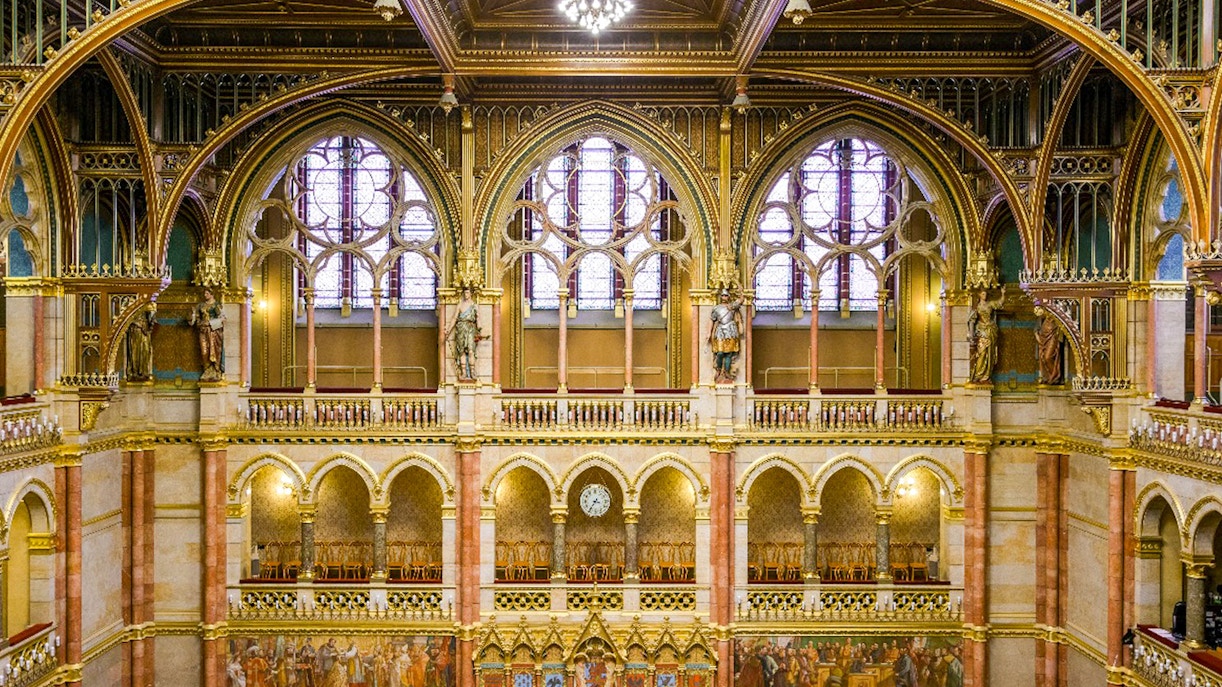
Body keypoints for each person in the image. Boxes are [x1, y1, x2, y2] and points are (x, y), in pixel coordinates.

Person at [966, 289, 1004, 384]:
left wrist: (1003, 293)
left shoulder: (990, 304)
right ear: (979, 295)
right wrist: (971, 333)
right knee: (982, 353)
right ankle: (978, 375)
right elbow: (972, 319)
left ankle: (986, 376)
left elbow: (999, 303)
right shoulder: (977, 307)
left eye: (986, 294)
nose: (985, 296)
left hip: (991, 330)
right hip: (981, 330)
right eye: (983, 294)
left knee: (990, 353)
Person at [189, 287, 226, 381]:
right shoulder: (200, 306)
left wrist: (210, 323)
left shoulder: (216, 305)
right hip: (203, 331)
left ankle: (215, 369)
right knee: (204, 351)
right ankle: (207, 369)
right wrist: (193, 317)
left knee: (214, 350)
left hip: (213, 332)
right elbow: (195, 319)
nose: (205, 295)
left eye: (207, 293)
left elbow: (223, 319)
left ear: (212, 294)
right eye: (204, 294)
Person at [446, 287, 482, 382]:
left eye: (467, 292)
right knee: (461, 351)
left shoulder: (474, 306)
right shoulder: (460, 305)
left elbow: (478, 317)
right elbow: (454, 318)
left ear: (471, 294)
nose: (466, 294)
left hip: (470, 329)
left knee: (471, 351)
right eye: (464, 292)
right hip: (461, 329)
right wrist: (448, 330)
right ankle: (463, 372)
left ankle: (472, 371)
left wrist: (479, 328)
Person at [708, 289, 743, 384]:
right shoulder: (716, 308)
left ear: (728, 297)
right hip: (720, 331)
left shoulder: (732, 306)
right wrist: (708, 333)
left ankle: (726, 372)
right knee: (719, 353)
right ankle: (719, 370)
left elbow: (741, 300)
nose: (724, 297)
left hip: (731, 330)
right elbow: (712, 320)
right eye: (722, 295)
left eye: (726, 295)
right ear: (720, 297)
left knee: (728, 354)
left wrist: (740, 289)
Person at [126, 304, 156, 382]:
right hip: (135, 331)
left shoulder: (148, 302)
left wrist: (150, 324)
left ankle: (144, 372)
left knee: (145, 351)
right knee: (134, 352)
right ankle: (134, 372)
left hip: (145, 331)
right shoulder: (131, 302)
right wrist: (137, 324)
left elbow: (152, 315)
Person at [1034, 313, 1063, 385]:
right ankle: (1048, 377)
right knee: (1043, 358)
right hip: (1043, 339)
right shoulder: (1042, 317)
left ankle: (1055, 376)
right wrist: (1037, 336)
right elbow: (1036, 329)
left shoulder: (1057, 316)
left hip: (1052, 337)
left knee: (1047, 357)